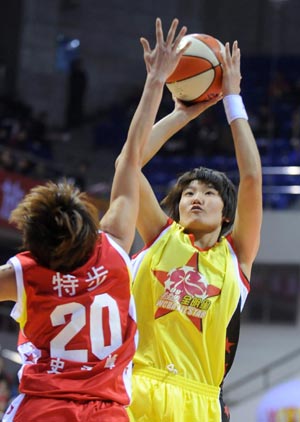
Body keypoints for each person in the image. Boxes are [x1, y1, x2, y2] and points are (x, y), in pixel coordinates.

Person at [0, 17, 190, 422]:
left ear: (34, 242)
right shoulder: (114, 245)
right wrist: (156, 79)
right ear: (88, 223)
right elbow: (130, 159)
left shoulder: (25, 270)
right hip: (107, 411)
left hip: (42, 408)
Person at [127, 41, 263, 421]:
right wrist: (181, 115)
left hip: (200, 400)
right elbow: (129, 165)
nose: (195, 198)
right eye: (188, 193)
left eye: (208, 193)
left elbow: (251, 178)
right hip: (135, 386)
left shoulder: (236, 257)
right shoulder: (158, 234)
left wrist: (232, 99)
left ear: (226, 215)